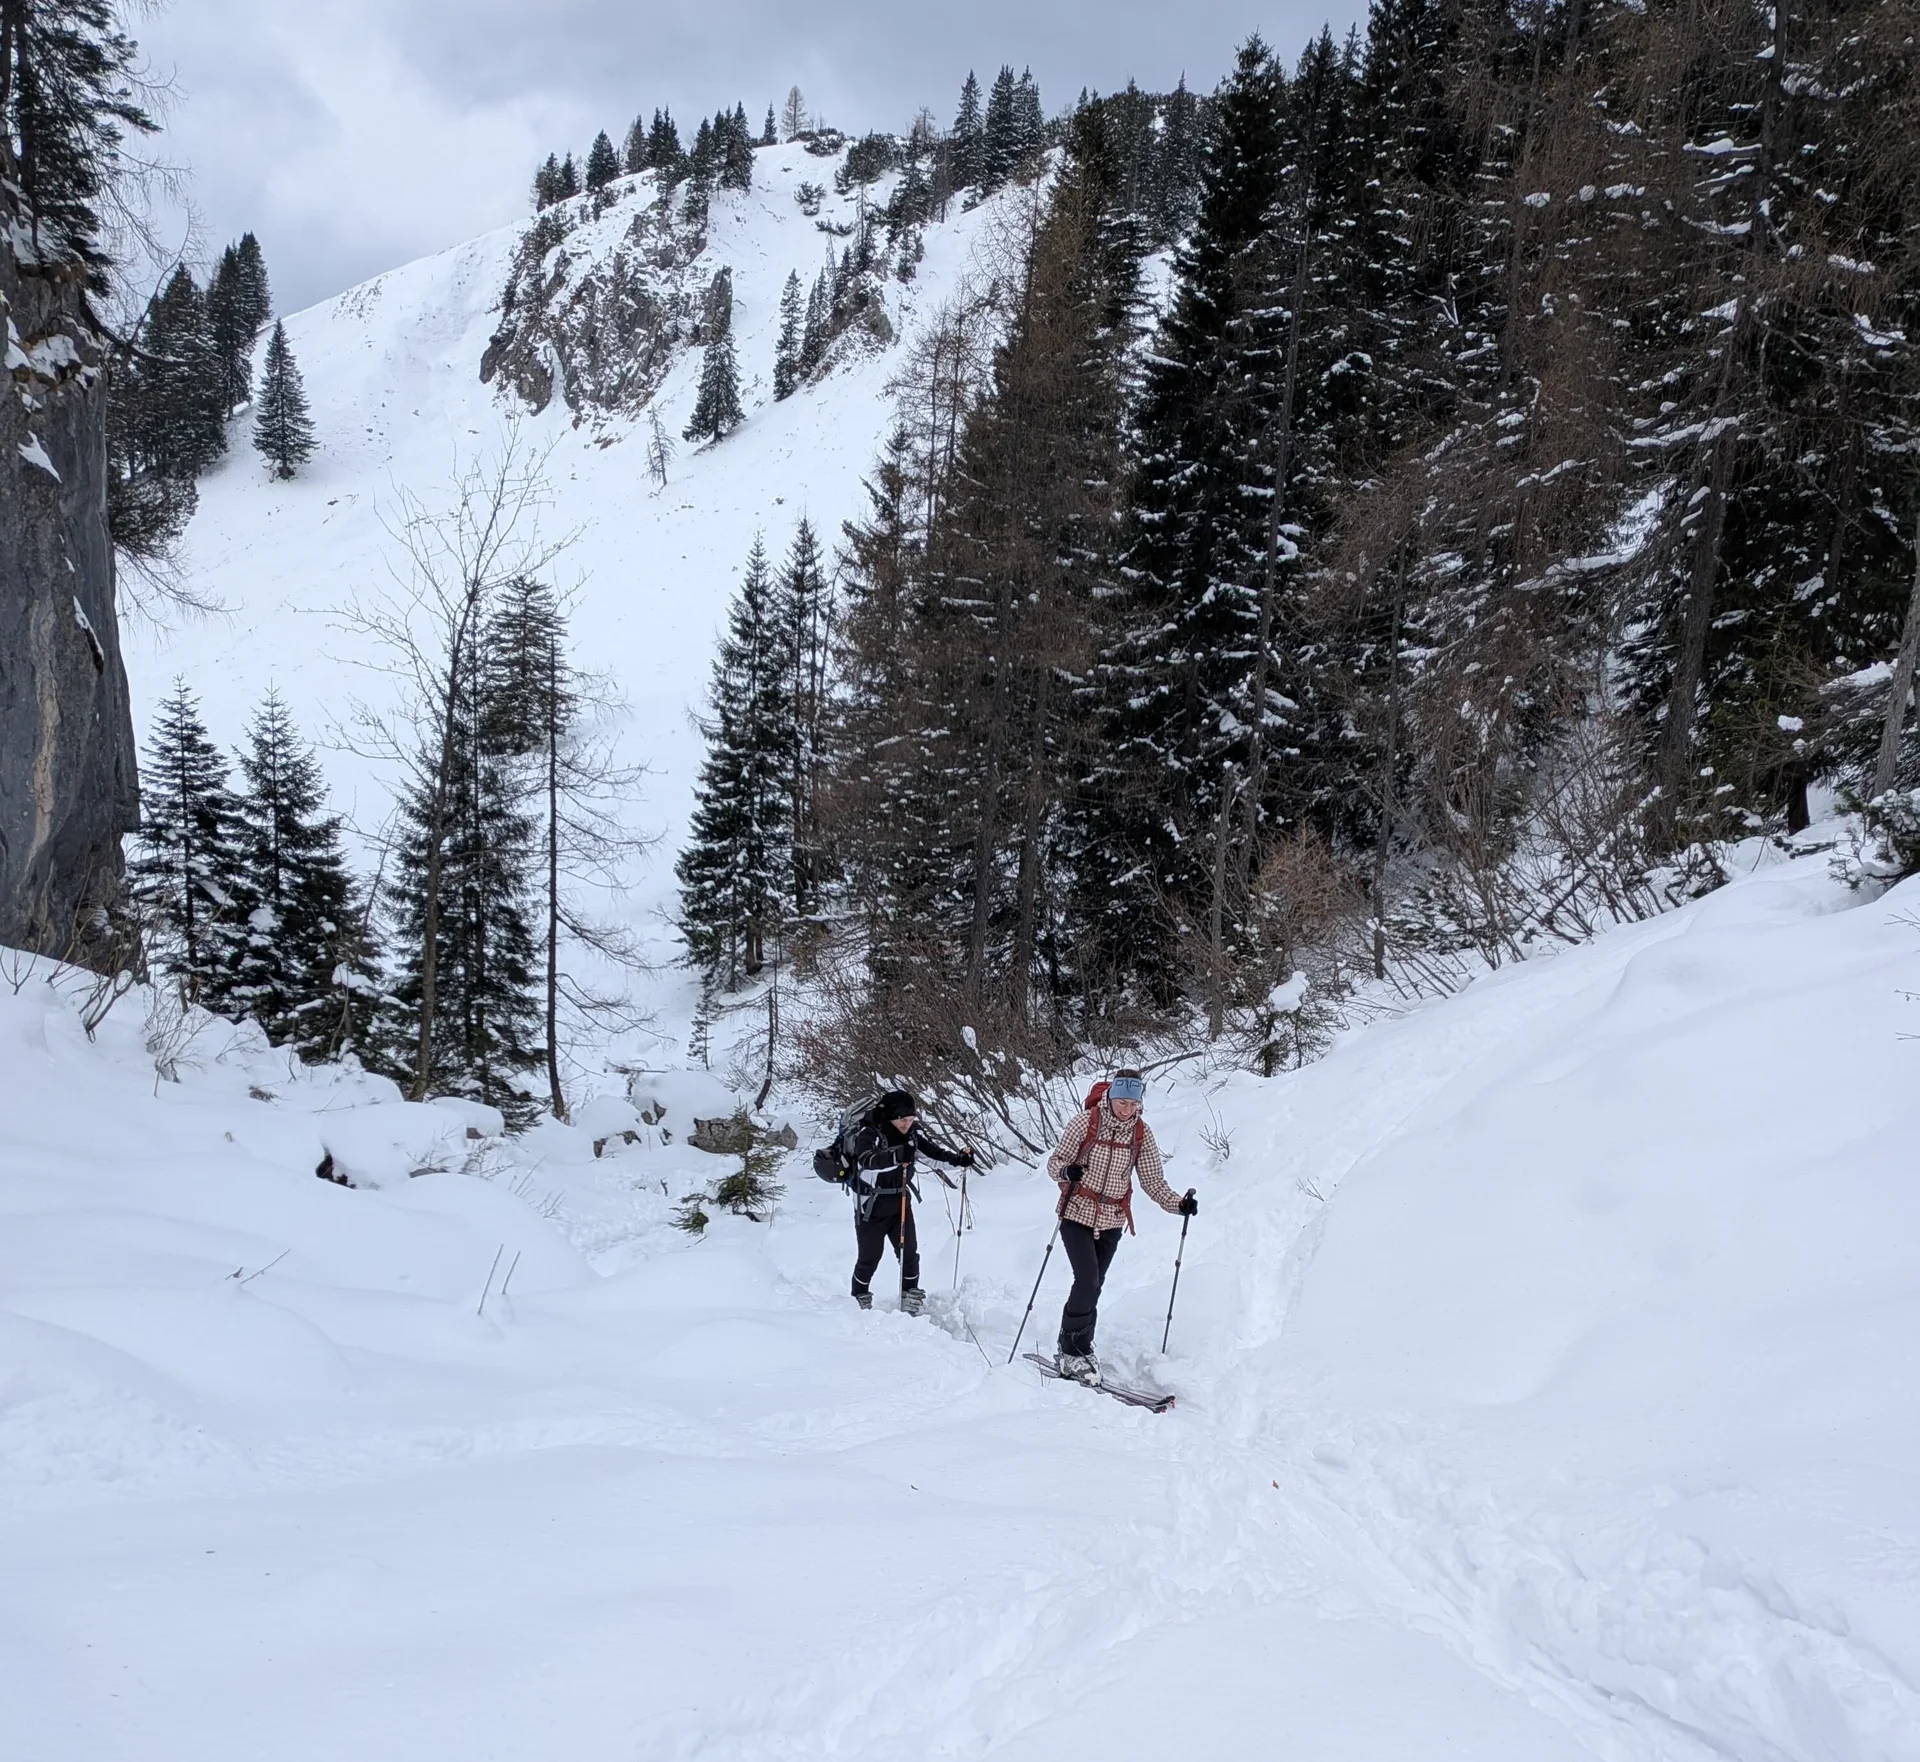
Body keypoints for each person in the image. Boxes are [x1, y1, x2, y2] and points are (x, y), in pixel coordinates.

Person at [1044, 1068, 1195, 1383]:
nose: (1127, 1110)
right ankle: (1071, 1351)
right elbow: (1055, 1163)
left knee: (1095, 1285)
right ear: (1111, 1097)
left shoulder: (1141, 1134)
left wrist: (1178, 1204)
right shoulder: (1084, 1123)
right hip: (1076, 1212)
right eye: (1122, 1102)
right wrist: (1067, 1172)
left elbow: (1153, 1181)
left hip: (1112, 1219)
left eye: (1133, 1104)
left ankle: (1080, 1348)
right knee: (1086, 1280)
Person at [840, 1089, 972, 1313]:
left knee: (909, 1253)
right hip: (870, 1206)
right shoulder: (869, 1133)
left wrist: (960, 1160)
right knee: (869, 1258)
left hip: (900, 1201)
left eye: (910, 1119)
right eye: (902, 1119)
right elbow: (867, 1162)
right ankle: (858, 1298)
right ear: (891, 1116)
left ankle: (910, 1296)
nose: (906, 1124)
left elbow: (934, 1156)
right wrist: (897, 1156)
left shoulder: (911, 1136)